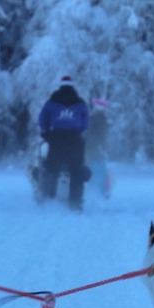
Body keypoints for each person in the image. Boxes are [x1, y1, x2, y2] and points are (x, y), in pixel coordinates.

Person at [37, 75, 90, 209]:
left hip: (56, 138)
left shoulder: (51, 101)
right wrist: (77, 130)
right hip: (75, 139)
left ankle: (49, 200)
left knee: (52, 168)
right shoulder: (81, 103)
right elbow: (85, 123)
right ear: (72, 86)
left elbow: (42, 120)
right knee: (76, 170)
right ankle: (75, 202)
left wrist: (47, 131)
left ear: (60, 85)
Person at [85, 98, 111, 198]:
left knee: (91, 172)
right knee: (100, 173)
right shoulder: (101, 120)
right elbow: (103, 136)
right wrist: (104, 147)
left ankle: (91, 192)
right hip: (97, 151)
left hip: (89, 150)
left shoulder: (90, 119)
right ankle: (100, 193)